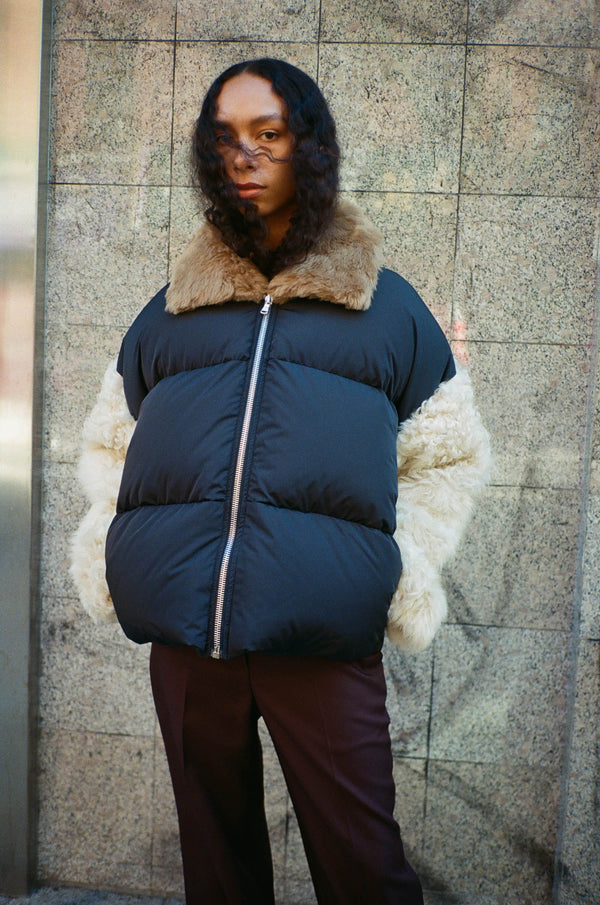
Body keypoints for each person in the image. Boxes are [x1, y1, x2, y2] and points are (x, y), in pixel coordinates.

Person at [70, 58, 490, 905]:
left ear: (311, 147)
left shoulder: (388, 309)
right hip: (189, 643)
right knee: (216, 874)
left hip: (322, 642)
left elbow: (451, 454)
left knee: (364, 869)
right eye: (226, 138)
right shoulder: (170, 310)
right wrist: (110, 557)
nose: (246, 157)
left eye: (269, 135)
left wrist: (393, 571)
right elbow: (112, 445)